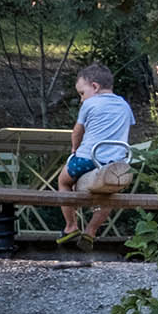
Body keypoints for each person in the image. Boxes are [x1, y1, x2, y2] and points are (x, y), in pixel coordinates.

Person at [55, 64, 134, 249]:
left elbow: (77, 131)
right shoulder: (124, 105)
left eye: (82, 93)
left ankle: (71, 226)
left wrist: (74, 149)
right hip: (116, 163)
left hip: (87, 158)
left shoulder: (90, 104)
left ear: (95, 87)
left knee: (64, 181)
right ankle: (91, 231)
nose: (82, 99)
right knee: (108, 194)